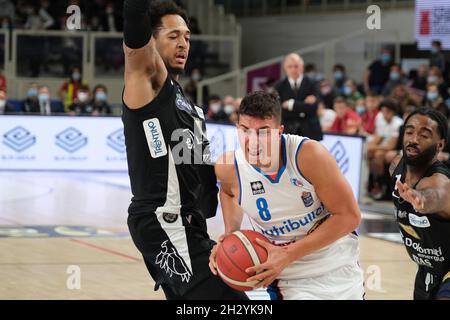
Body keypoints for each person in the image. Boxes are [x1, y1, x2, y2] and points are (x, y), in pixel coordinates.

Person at [121, 0, 247, 300]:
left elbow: (201, 177)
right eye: (173, 35)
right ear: (152, 41)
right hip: (163, 221)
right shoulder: (147, 81)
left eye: (187, 37)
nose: (183, 43)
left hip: (190, 226)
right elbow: (135, 26)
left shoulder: (191, 108)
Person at [209, 91, 364, 300]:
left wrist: (289, 253)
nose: (253, 142)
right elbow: (227, 192)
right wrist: (231, 232)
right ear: (237, 129)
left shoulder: (309, 156)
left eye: (263, 132)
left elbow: (349, 216)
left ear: (279, 131)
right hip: (288, 280)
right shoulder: (229, 168)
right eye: (246, 131)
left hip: (339, 268)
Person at [389, 108, 450, 300]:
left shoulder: (440, 181)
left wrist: (421, 199)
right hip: (428, 269)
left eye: (424, 135)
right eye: (409, 132)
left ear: (440, 145)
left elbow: (436, 194)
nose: (413, 139)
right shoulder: (397, 166)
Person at [275, 53, 323, 141]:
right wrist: (303, 105)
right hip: (288, 131)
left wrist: (290, 104)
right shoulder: (279, 86)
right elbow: (279, 110)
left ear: (302, 67)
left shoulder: (313, 83)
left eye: (296, 66)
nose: (293, 69)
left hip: (310, 131)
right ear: (285, 68)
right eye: (290, 66)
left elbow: (313, 108)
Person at [366, 99, 403, 200]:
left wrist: (374, 147)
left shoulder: (398, 123)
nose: (384, 114)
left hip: (396, 148)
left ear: (393, 112)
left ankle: (382, 186)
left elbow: (391, 145)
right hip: (383, 146)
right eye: (383, 111)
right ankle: (372, 182)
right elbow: (379, 136)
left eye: (387, 112)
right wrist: (370, 146)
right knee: (369, 153)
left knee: (379, 155)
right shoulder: (379, 118)